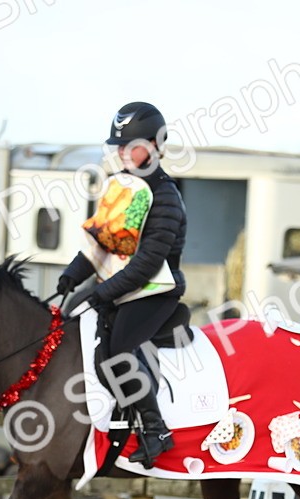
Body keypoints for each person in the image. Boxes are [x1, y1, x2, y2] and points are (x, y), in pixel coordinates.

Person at [58, 101, 187, 469]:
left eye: (131, 145)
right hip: (117, 287)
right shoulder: (120, 189)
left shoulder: (165, 196)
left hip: (153, 291)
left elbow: (146, 264)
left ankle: (154, 429)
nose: (123, 152)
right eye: (119, 146)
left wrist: (101, 294)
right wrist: (74, 274)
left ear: (155, 144)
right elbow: (103, 243)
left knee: (117, 353)